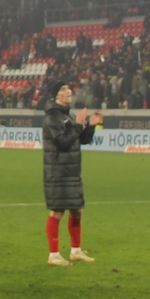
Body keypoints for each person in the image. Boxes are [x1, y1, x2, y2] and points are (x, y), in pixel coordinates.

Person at [42, 81, 100, 266]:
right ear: (55, 96)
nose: (68, 92)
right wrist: (77, 125)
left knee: (77, 210)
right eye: (63, 89)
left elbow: (80, 139)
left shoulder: (69, 115)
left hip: (72, 170)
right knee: (57, 211)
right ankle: (54, 254)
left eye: (68, 89)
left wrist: (89, 126)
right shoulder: (52, 118)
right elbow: (63, 143)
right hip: (58, 170)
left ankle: (75, 250)